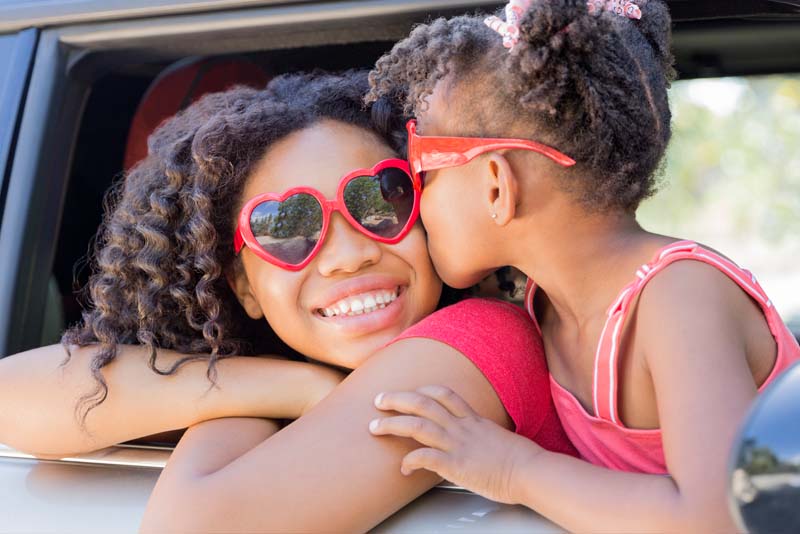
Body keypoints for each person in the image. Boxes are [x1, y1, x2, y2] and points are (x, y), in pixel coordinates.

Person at [0, 70, 575, 532]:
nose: (349, 255)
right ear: (244, 286)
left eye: (379, 200)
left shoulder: (481, 343)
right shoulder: (297, 379)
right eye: (287, 225)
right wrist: (299, 385)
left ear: (424, 215)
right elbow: (12, 395)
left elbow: (193, 526)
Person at [365, 1, 800, 531]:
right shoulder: (539, 306)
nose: (412, 200)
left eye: (420, 170)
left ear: (497, 186)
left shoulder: (677, 298)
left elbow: (718, 516)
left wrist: (513, 469)